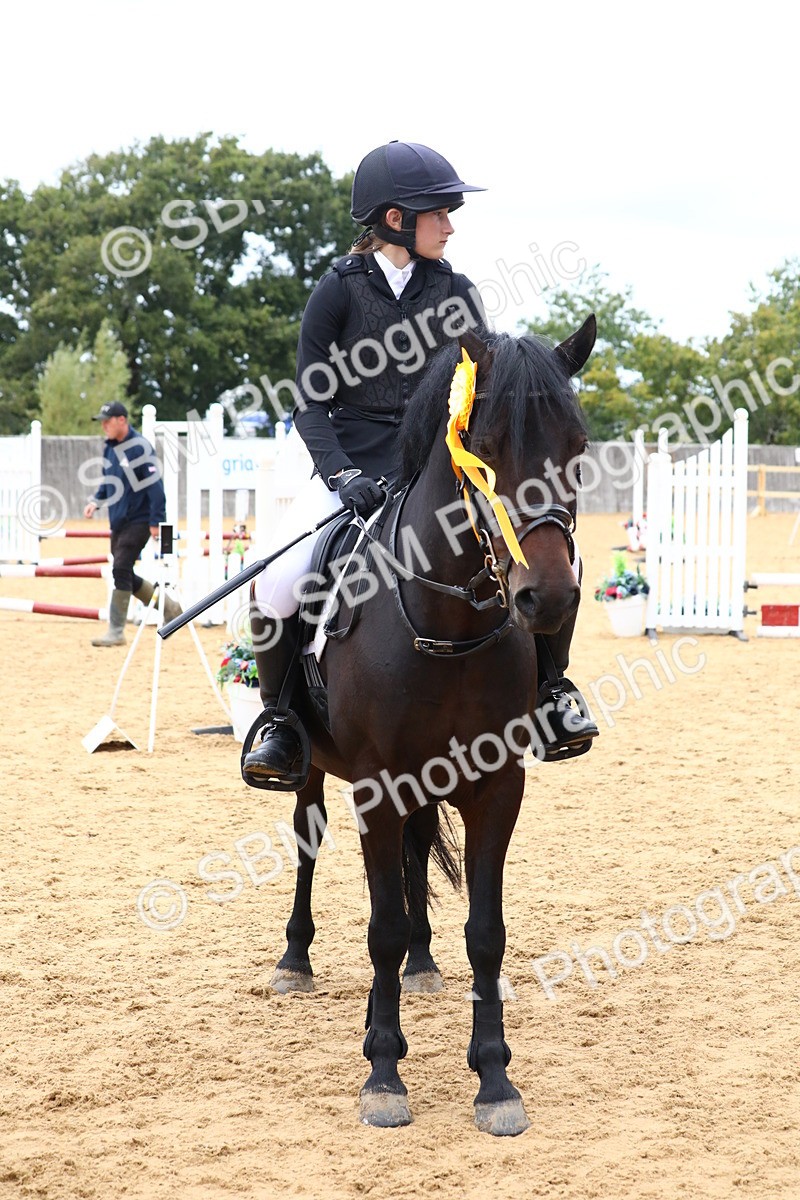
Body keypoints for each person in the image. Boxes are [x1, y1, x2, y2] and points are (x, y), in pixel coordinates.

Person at [243, 140, 597, 785]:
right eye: (440, 213)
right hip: (344, 457)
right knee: (278, 579)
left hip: (436, 463)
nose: (451, 225)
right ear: (396, 218)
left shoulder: (456, 291)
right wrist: (342, 475)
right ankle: (280, 722)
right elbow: (310, 403)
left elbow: (479, 391)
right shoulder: (337, 292)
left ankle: (550, 689)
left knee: (553, 557)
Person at [83, 400, 181, 646]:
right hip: (118, 520)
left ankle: (116, 632)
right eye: (102, 421)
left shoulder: (138, 447)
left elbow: (155, 486)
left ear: (122, 420)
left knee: (121, 569)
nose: (104, 425)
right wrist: (96, 500)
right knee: (123, 571)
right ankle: (170, 608)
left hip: (138, 520)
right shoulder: (110, 448)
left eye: (108, 421)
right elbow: (108, 482)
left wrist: (156, 521)